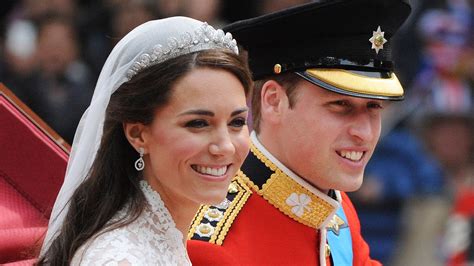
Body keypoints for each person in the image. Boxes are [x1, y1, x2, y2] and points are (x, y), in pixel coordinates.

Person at [187, 0, 411, 265]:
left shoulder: (334, 207)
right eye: (340, 106)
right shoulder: (213, 247)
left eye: (374, 107)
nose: (364, 132)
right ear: (273, 101)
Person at [38, 16, 253, 265]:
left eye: (237, 122)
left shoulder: (162, 239)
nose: (225, 146)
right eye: (198, 124)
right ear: (138, 134)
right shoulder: (119, 259)